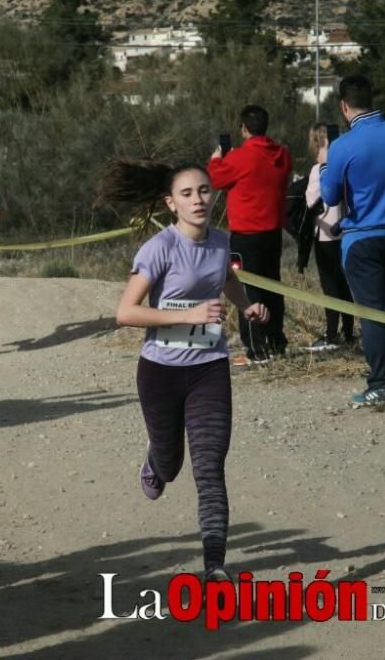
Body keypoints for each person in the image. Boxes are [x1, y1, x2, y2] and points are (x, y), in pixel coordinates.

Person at [107, 159, 269, 582]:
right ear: (170, 203)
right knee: (171, 463)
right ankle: (155, 463)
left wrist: (245, 305)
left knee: (210, 466)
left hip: (209, 367)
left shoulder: (220, 242)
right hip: (160, 372)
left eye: (204, 191)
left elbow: (224, 280)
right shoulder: (158, 248)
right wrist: (188, 315)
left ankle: (215, 564)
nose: (198, 200)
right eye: (187, 194)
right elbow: (125, 313)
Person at [319, 76, 385, 405]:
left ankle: (380, 385)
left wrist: (326, 163)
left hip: (361, 237)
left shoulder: (343, 146)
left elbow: (330, 196)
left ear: (344, 106)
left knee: (373, 313)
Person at [207, 105, 292, 365]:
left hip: (246, 234)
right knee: (273, 287)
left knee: (248, 291)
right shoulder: (283, 155)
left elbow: (216, 179)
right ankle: (276, 341)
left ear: (244, 129)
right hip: (273, 232)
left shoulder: (240, 158)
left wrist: (216, 158)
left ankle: (256, 348)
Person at [305, 123, 355, 352]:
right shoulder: (347, 165)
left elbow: (311, 199)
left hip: (325, 233)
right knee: (345, 284)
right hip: (346, 229)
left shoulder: (319, 169)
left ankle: (331, 333)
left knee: (330, 286)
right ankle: (348, 331)